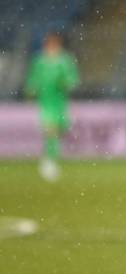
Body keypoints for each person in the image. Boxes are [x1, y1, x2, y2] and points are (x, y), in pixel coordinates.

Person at [25, 32, 79, 182]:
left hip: (60, 103)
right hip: (45, 102)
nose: (51, 46)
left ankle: (50, 159)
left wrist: (65, 83)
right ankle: (49, 162)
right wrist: (31, 89)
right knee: (51, 130)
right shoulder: (39, 61)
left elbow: (72, 79)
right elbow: (32, 78)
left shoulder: (65, 61)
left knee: (58, 131)